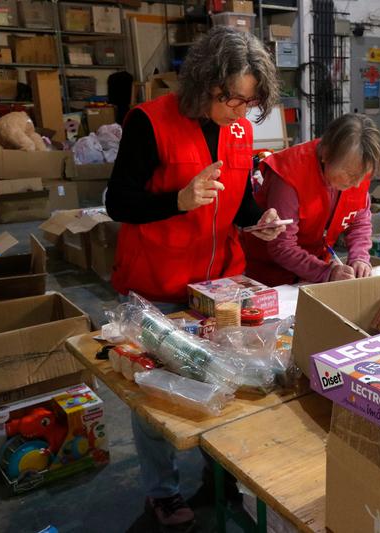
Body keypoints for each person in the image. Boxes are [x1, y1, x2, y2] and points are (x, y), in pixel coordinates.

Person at [105, 26, 283, 529]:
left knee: (226, 383)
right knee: (156, 396)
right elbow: (117, 202)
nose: (239, 111)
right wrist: (177, 201)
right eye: (232, 99)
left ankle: (217, 476)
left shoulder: (241, 132)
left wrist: (258, 221)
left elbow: (238, 203)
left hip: (219, 286)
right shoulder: (149, 122)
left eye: (249, 103)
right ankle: (162, 491)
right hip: (157, 285)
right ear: (204, 81)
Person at [242, 113, 380, 286]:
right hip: (271, 275)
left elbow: (359, 220)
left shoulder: (358, 168)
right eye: (350, 174)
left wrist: (360, 257)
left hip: (317, 269)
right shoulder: (289, 175)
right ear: (326, 153)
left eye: (362, 176)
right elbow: (282, 246)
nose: (356, 184)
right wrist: (326, 272)